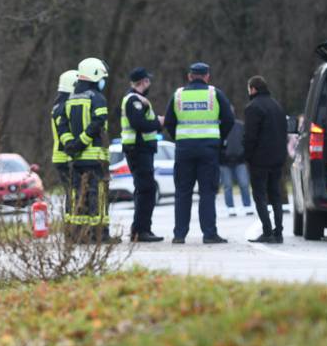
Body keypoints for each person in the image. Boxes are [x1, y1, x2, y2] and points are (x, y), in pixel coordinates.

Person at [164, 62, 235, 244]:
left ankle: (179, 235)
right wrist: (218, 138)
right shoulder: (215, 94)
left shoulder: (178, 95)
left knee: (182, 193)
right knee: (207, 193)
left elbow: (169, 122)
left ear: (189, 76)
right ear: (207, 76)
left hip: (184, 150)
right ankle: (209, 234)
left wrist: (180, 139)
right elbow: (229, 119)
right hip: (209, 151)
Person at [63, 57, 119, 243]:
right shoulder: (97, 98)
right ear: (95, 75)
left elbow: (62, 125)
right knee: (99, 196)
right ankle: (100, 235)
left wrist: (72, 144)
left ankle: (80, 235)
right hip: (95, 158)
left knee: (80, 196)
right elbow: (98, 123)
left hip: (76, 158)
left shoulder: (70, 99)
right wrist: (82, 141)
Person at [120, 67, 164, 242]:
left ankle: (142, 229)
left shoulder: (138, 100)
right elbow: (139, 123)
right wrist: (158, 122)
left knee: (145, 189)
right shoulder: (133, 100)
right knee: (147, 189)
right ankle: (140, 231)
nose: (150, 84)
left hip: (140, 150)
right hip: (138, 150)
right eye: (148, 81)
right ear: (143, 82)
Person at [243, 75, 287, 243]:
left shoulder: (253, 108)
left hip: (260, 160)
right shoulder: (277, 106)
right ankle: (279, 232)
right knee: (275, 195)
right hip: (277, 159)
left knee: (260, 196)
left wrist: (246, 156)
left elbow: (250, 137)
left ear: (253, 89)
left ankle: (267, 231)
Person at [219, 117, 253, 217]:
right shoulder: (220, 126)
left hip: (240, 161)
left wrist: (244, 155)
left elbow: (246, 141)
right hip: (225, 163)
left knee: (244, 184)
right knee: (227, 186)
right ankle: (231, 209)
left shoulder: (240, 126)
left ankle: (247, 206)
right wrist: (221, 157)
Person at [51, 70, 78, 193]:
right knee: (73, 194)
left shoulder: (58, 106)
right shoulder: (62, 108)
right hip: (64, 157)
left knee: (72, 193)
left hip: (62, 157)